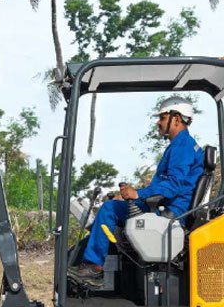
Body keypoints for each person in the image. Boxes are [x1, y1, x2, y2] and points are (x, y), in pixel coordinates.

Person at [72, 97, 204, 285]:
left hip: (170, 213)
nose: (158, 122)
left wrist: (138, 195)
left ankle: (94, 268)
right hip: (164, 207)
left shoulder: (182, 147)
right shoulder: (182, 145)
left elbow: (174, 185)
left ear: (176, 119)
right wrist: (135, 196)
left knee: (109, 209)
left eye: (162, 117)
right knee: (111, 209)